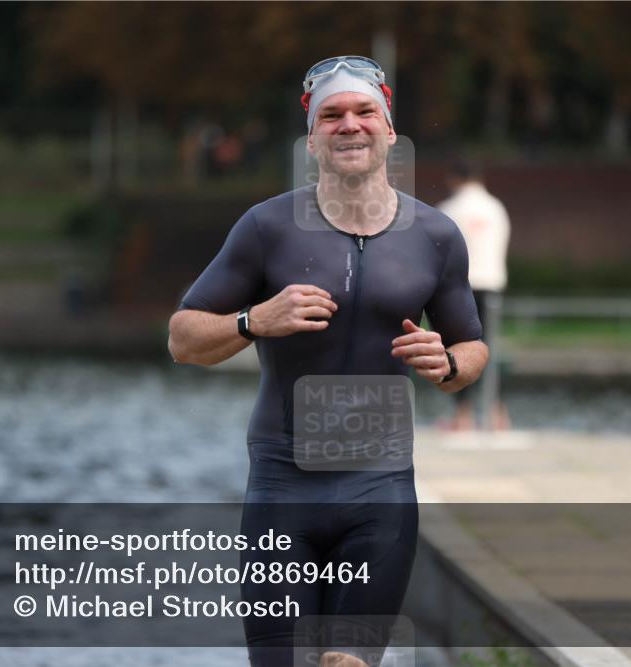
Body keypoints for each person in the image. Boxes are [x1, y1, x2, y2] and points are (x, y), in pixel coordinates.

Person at [168, 55, 487, 667]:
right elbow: (182, 338)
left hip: (381, 489)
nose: (350, 125)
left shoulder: (436, 236)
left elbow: (472, 347)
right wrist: (253, 320)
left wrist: (447, 363)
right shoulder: (266, 228)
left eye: (365, 112)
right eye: (331, 115)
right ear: (311, 138)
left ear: (389, 131)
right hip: (283, 485)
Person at [437, 159, 511, 431]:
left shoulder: (448, 209)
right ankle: (498, 413)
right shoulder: (496, 208)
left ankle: (462, 416)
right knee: (489, 349)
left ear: (454, 179)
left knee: (460, 351)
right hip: (492, 286)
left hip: (460, 288)